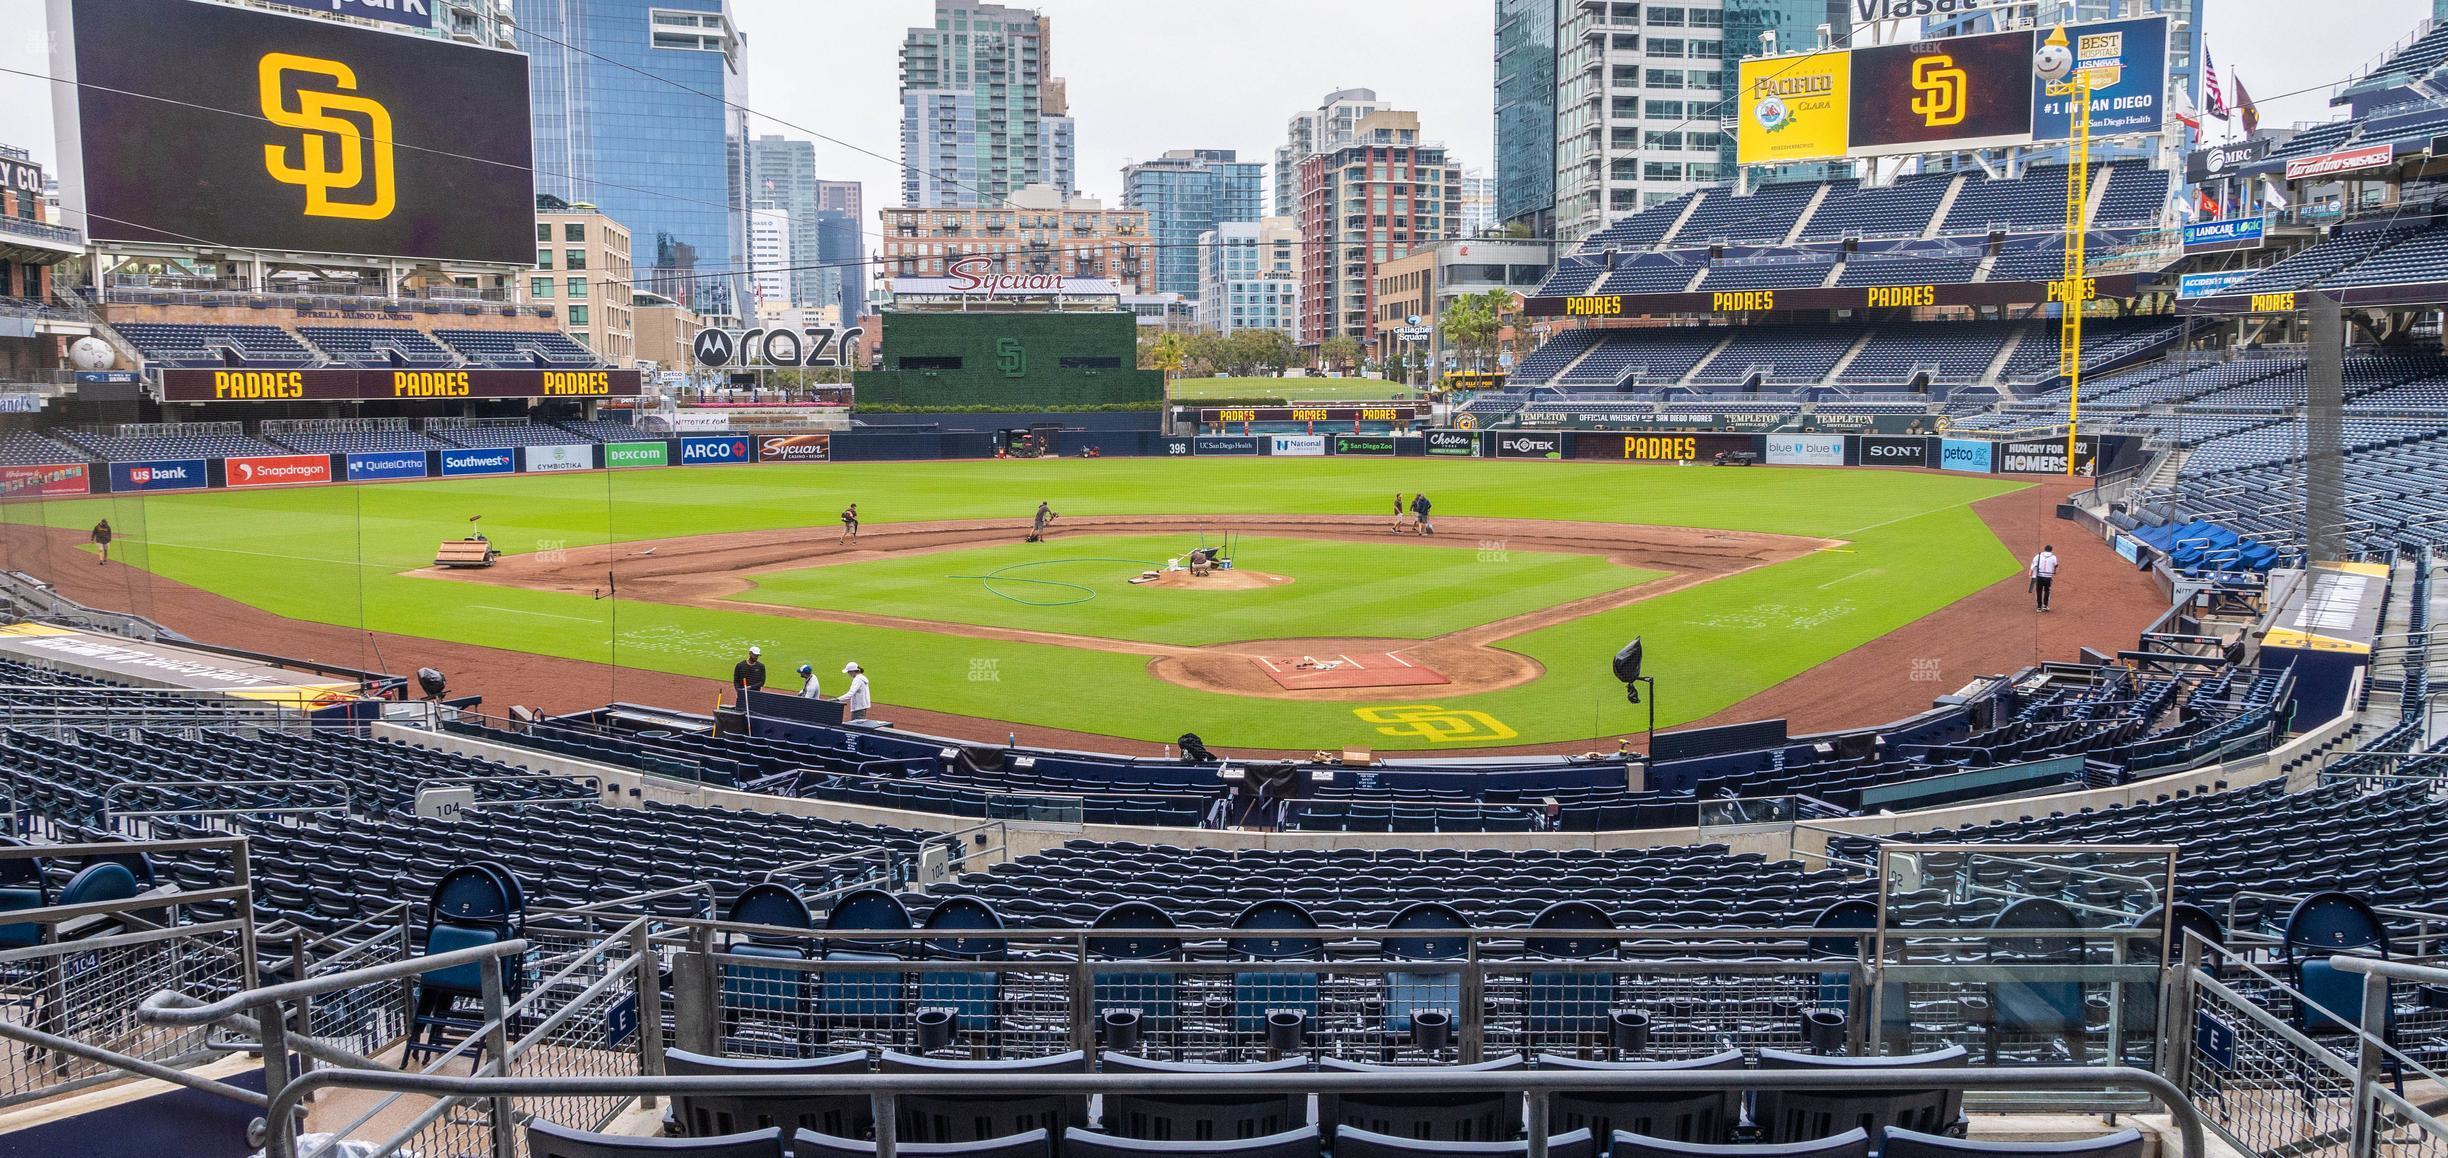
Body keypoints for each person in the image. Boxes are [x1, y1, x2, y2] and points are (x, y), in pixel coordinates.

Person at [2029, 543, 2059, 612]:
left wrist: (2030, 573)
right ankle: (2045, 606)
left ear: (2044, 549)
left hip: (2039, 576)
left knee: (2039, 591)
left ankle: (2039, 607)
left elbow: (2033, 564)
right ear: (2051, 550)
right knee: (2047, 591)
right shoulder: (2053, 557)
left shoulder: (2038, 555)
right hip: (2048, 577)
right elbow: (2056, 565)